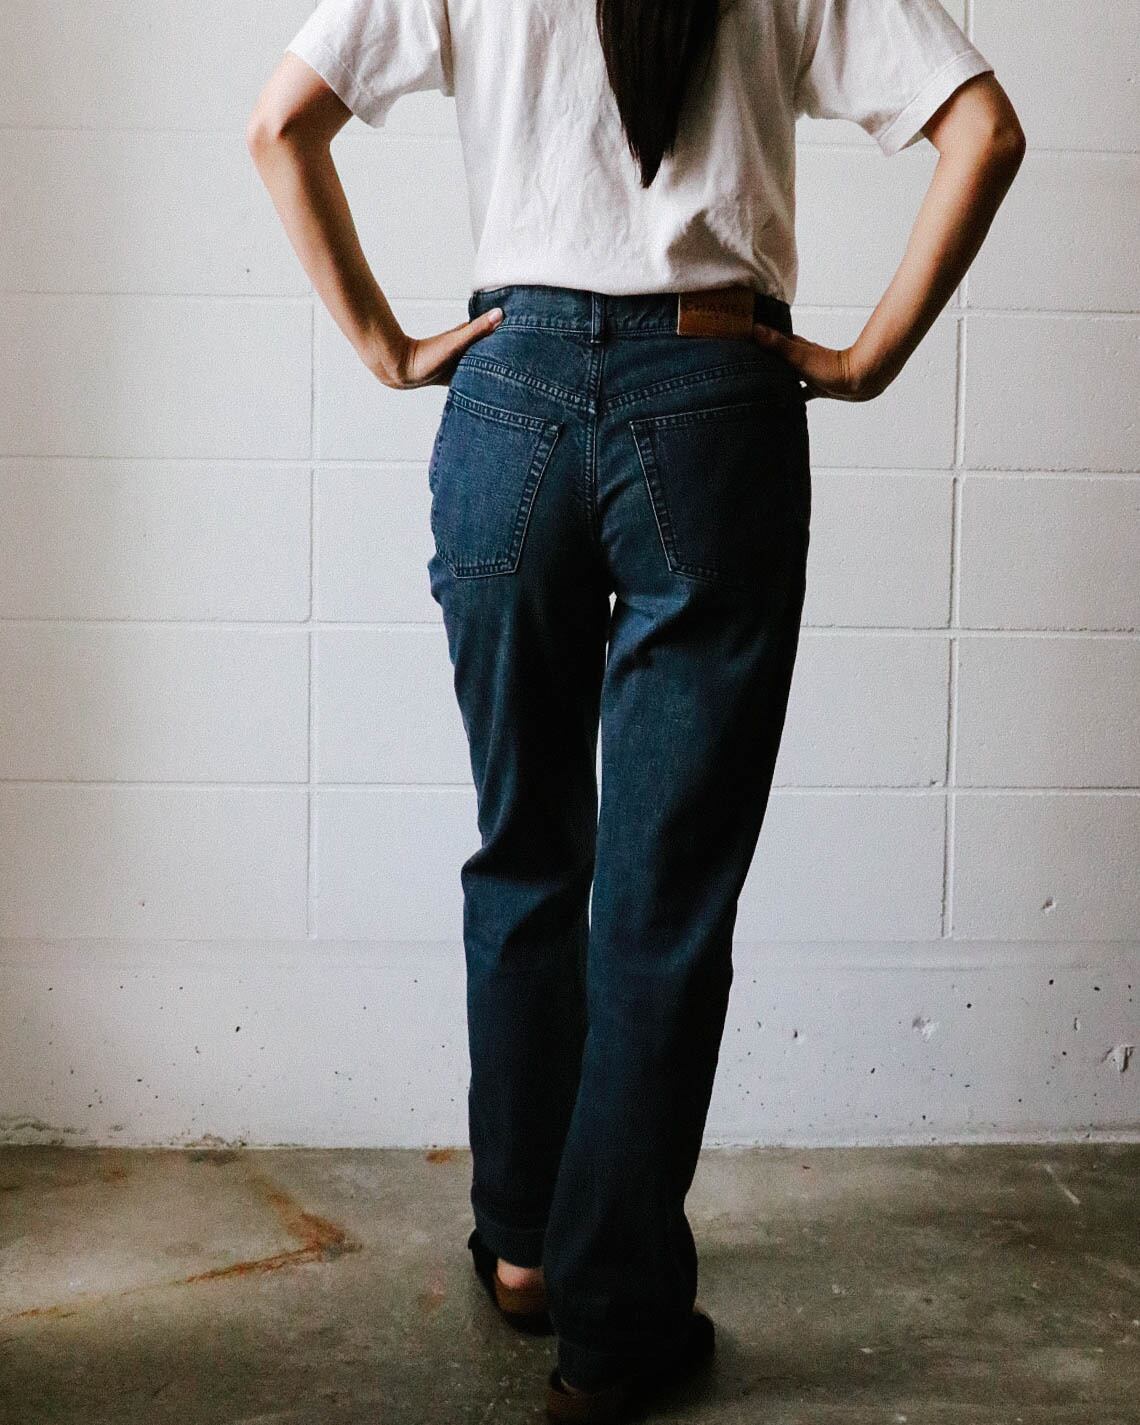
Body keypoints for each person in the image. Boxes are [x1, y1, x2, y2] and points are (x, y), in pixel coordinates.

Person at [248, 0, 1024, 1417]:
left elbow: (281, 124)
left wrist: (385, 343)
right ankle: (615, 1328)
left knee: (524, 849)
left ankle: (526, 1246)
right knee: (663, 902)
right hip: (716, 401)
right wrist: (868, 358)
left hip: (511, 399)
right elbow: (984, 128)